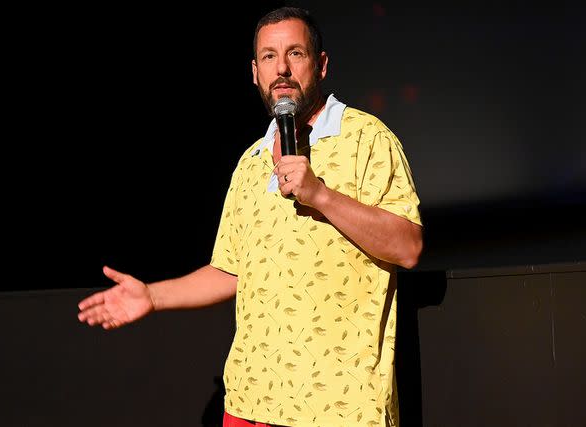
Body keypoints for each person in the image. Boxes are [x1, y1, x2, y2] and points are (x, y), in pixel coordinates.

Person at [78, 6, 423, 427]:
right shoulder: (250, 162)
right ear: (255, 72)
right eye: (268, 57)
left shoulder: (368, 138)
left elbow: (408, 247)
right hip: (249, 404)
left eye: (295, 53)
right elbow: (232, 270)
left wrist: (319, 194)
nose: (282, 68)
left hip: (339, 407)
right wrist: (152, 296)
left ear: (322, 64)